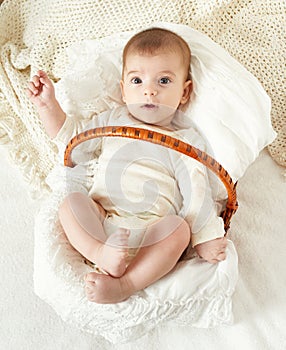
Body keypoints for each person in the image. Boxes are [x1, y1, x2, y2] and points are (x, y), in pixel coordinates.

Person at [27, 27, 227, 304]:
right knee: (71, 203)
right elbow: (73, 139)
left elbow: (197, 190)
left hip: (152, 233)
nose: (149, 91)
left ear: (185, 92)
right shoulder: (114, 120)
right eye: (137, 80)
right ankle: (100, 254)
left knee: (179, 230)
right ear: (122, 90)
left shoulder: (186, 139)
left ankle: (125, 285)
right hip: (102, 220)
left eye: (164, 81)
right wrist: (48, 106)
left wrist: (205, 236)